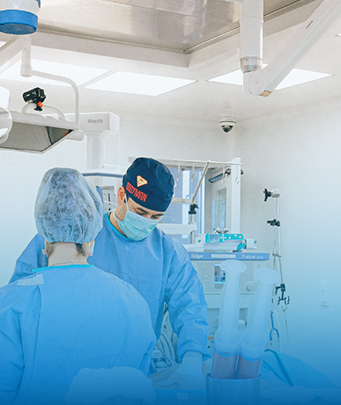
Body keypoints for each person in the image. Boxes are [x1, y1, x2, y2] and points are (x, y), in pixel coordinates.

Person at [11, 158, 210, 389]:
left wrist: (193, 357)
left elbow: (190, 306)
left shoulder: (168, 252)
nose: (146, 222)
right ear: (122, 195)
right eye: (140, 212)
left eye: (156, 217)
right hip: (67, 365)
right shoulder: (78, 232)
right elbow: (20, 295)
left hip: (134, 370)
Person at [0, 168, 156, 404]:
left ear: (44, 235)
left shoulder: (13, 303)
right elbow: (139, 382)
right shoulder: (132, 300)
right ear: (91, 239)